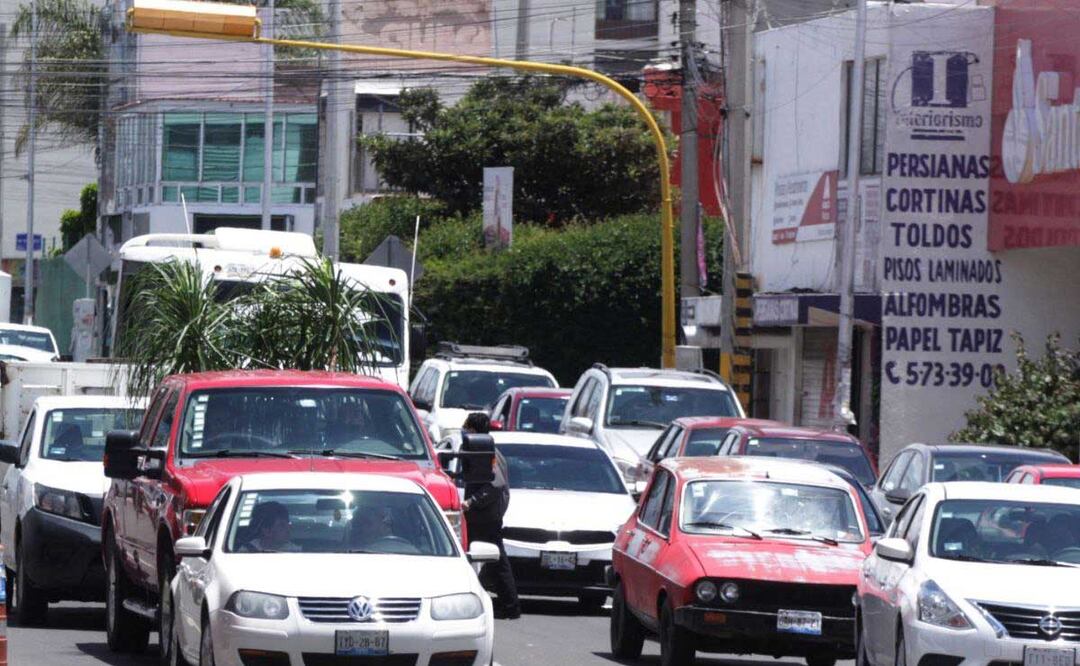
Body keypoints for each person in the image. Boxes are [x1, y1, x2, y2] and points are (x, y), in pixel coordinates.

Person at [461, 412, 520, 619]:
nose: (464, 432)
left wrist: (472, 502)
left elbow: (495, 485)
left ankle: (510, 605)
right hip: (482, 515)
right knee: (491, 560)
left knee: (496, 560)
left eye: (467, 428)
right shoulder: (481, 451)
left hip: (485, 515)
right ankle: (506, 604)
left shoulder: (489, 453)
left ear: (474, 431)